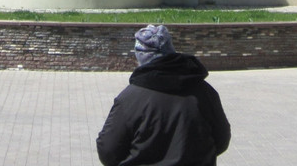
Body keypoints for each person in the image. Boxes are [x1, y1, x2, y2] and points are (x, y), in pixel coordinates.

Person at [97, 24, 231, 166]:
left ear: (140, 56)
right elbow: (221, 140)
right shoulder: (205, 92)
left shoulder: (130, 99)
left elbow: (108, 152)